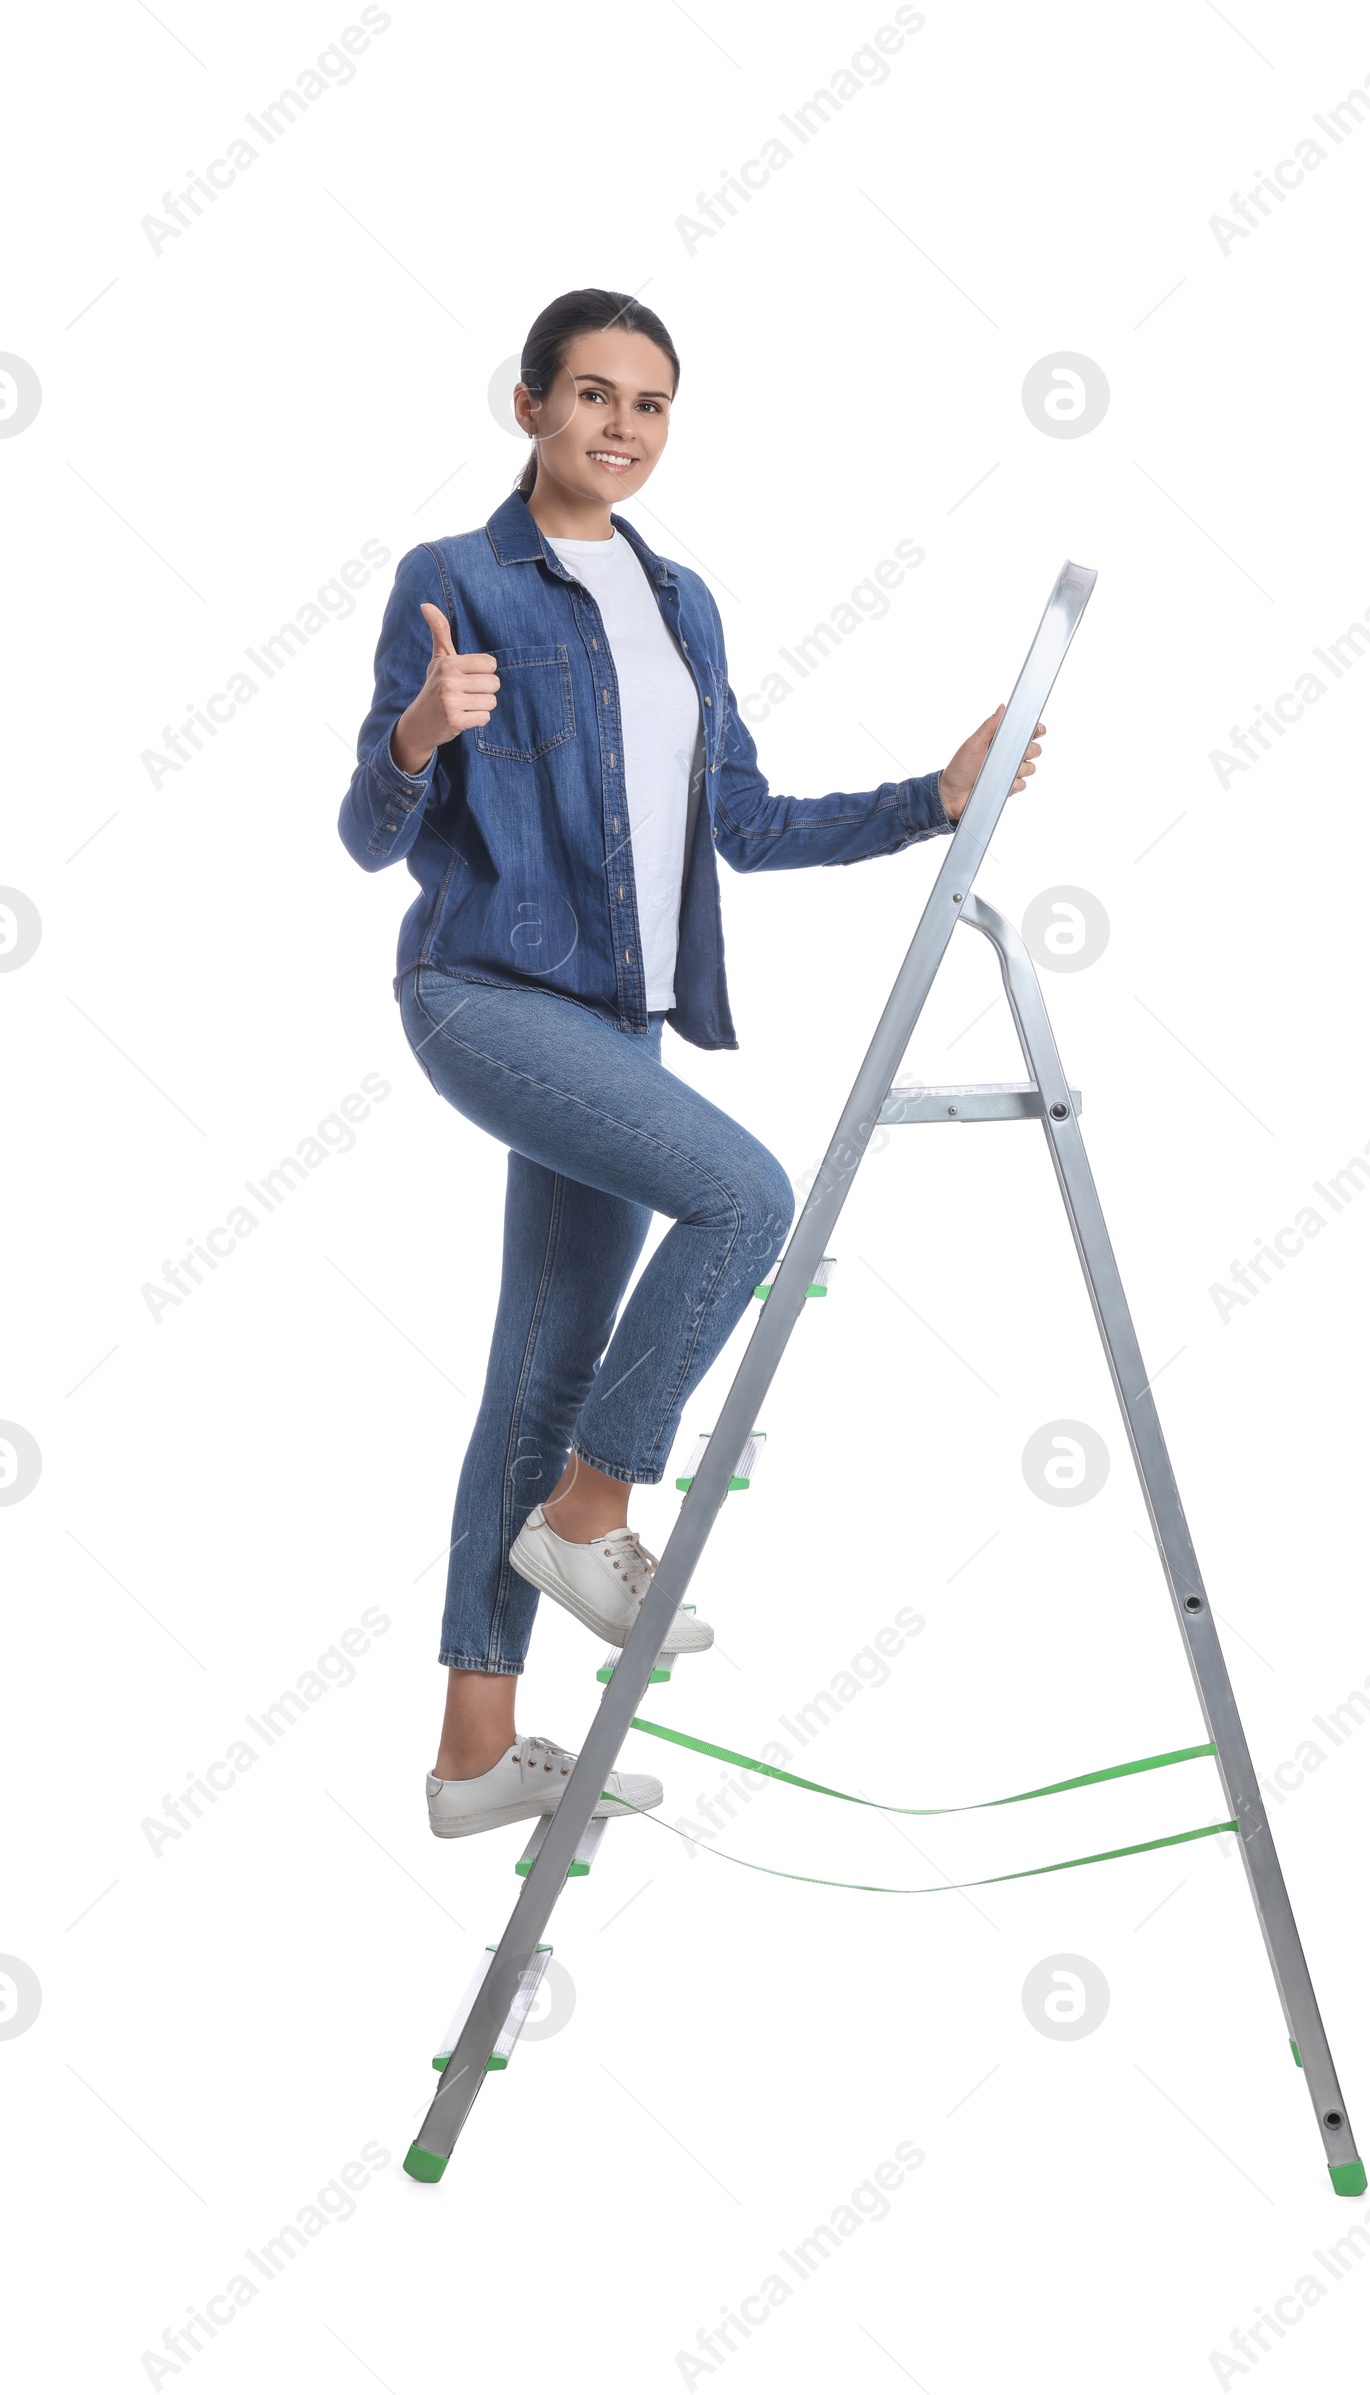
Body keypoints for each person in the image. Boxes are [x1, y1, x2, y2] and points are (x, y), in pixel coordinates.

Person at [337, 288, 1044, 1843]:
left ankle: (472, 1751)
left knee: (537, 1367)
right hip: (483, 993)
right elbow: (367, 837)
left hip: (620, 1024)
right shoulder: (454, 582)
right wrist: (411, 736)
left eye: (649, 405)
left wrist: (935, 794)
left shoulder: (687, 603)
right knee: (745, 1196)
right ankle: (596, 1513)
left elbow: (746, 822)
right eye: (591, 395)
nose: (621, 427)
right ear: (528, 406)